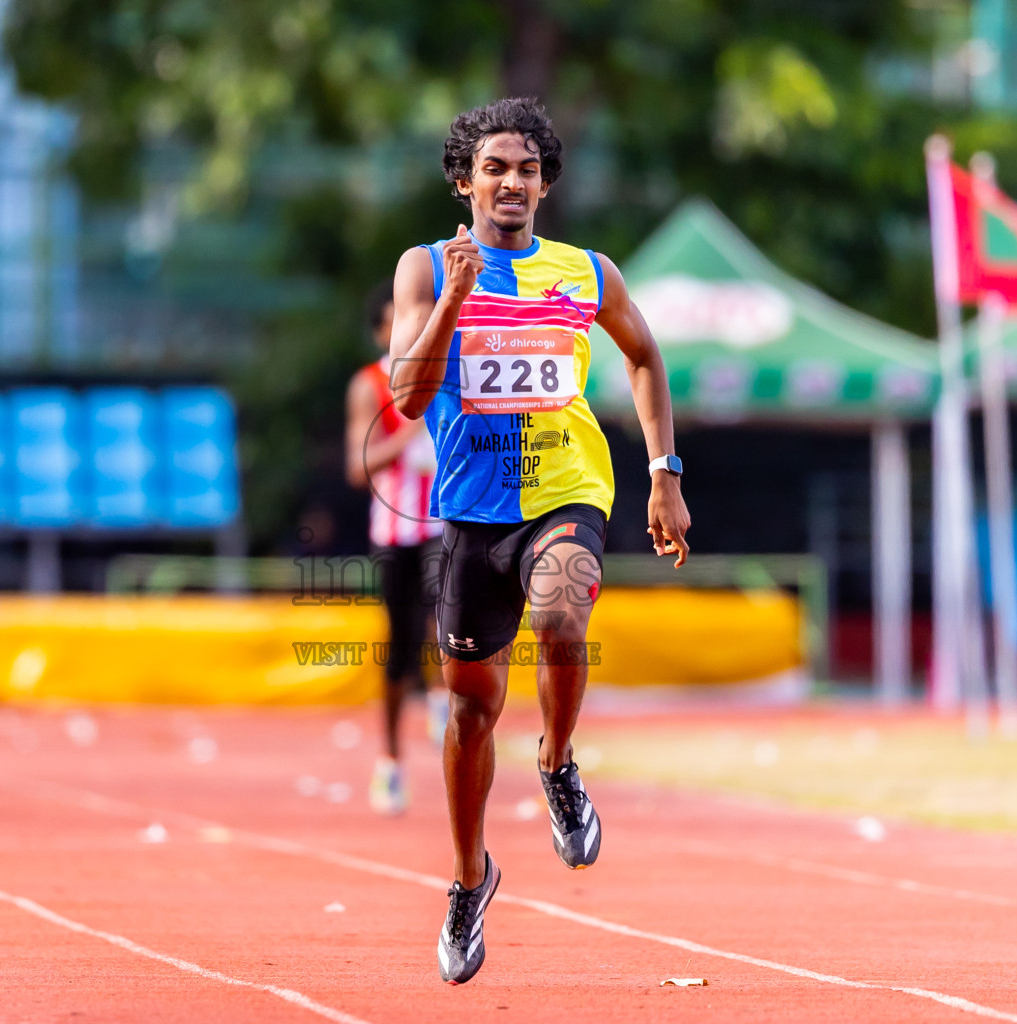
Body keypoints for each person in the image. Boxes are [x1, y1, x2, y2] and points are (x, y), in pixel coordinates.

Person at [389, 98, 691, 984]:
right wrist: (451, 295)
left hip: (568, 491)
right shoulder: (422, 267)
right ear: (464, 180)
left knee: (563, 614)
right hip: (474, 512)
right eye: (495, 168)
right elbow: (407, 399)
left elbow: (643, 357)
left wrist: (664, 472)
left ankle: (558, 763)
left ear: (546, 183)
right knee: (471, 711)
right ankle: (468, 877)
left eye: (527, 168)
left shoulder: (587, 273)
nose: (511, 181)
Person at [346, 281, 449, 816]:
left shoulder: (448, 368)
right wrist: (408, 434)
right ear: (381, 330)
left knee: (446, 608)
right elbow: (356, 466)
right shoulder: (368, 385)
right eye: (396, 321)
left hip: (444, 521)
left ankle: (439, 699)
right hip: (392, 528)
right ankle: (389, 760)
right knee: (398, 645)